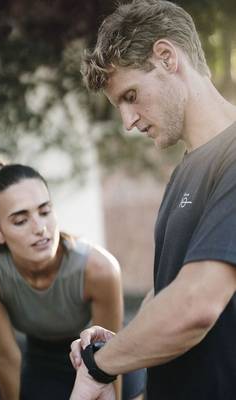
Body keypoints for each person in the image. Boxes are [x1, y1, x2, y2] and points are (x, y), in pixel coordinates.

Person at [69, 0, 236, 399]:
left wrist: (100, 365)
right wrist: (122, 344)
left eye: (130, 95)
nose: (128, 123)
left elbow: (194, 306)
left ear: (166, 57)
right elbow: (168, 293)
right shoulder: (185, 172)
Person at [0, 162, 146, 400]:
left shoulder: (99, 269)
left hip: (104, 355)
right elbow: (5, 356)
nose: (40, 228)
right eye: (21, 220)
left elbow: (109, 352)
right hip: (43, 361)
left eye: (45, 211)